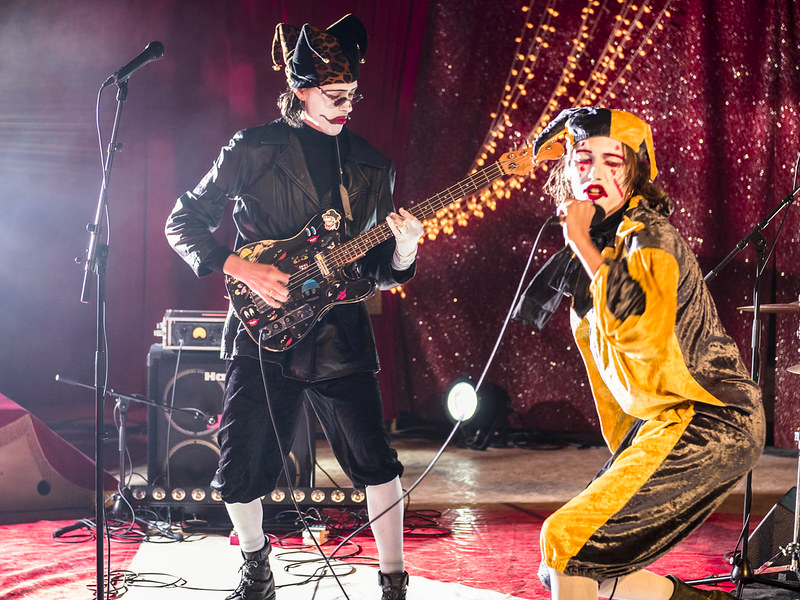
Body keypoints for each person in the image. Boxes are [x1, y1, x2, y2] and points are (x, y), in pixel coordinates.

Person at [165, 14, 422, 600]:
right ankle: (256, 572)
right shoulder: (252, 149)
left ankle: (393, 583)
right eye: (334, 96)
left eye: (352, 96)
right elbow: (183, 221)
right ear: (299, 90)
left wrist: (403, 251)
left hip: (339, 334)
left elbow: (377, 270)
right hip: (262, 328)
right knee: (239, 469)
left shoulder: (371, 165)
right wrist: (242, 267)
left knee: (377, 466)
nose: (345, 107)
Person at [513, 107, 765, 600]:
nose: (596, 174)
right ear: (568, 169)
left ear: (635, 171)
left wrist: (582, 242)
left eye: (614, 162)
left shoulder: (650, 237)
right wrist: (625, 463)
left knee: (566, 541)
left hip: (712, 417)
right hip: (661, 423)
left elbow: (637, 331)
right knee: (564, 565)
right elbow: (613, 382)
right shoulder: (598, 244)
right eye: (583, 160)